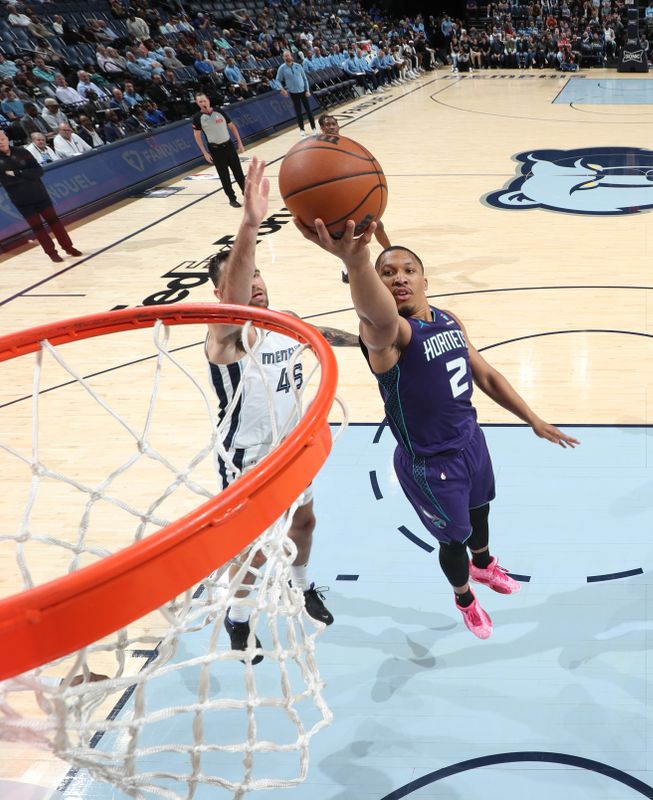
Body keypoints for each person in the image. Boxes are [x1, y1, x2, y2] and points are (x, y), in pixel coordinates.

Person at [294, 220, 579, 639]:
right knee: (454, 540)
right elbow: (376, 314)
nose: (399, 278)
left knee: (481, 511)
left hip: (471, 443)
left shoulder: (448, 319)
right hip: (430, 465)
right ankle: (465, 597)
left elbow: (487, 375)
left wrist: (532, 418)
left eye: (407, 269)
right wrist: (355, 262)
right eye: (386, 273)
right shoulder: (389, 336)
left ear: (425, 279)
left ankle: (484, 566)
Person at [206, 158, 359, 662]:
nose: (255, 285)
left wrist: (365, 341)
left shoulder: (286, 321)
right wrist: (249, 225)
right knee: (251, 549)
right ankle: (240, 617)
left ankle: (301, 584)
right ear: (222, 292)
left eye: (257, 277)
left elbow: (318, 338)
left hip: (295, 446)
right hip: (248, 459)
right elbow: (237, 286)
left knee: (305, 524)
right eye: (242, 280)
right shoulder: (227, 337)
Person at [0, 128, 81, 263]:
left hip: (39, 194)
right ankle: (51, 253)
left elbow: (38, 171)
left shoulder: (22, 151)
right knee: (37, 227)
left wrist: (17, 173)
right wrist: (26, 173)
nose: (1, 142)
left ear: (7, 138)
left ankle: (68, 247)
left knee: (55, 222)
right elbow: (5, 179)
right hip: (21, 199)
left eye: (3, 139)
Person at [317, 114, 392, 281]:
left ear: (338, 126)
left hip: (352, 194)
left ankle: (391, 252)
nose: (331, 127)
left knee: (377, 225)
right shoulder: (319, 148)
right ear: (322, 128)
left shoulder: (346, 144)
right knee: (342, 236)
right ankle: (346, 266)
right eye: (327, 125)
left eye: (333, 123)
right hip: (333, 198)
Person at [191, 92, 245, 208]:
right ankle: (232, 198)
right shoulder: (197, 118)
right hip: (215, 150)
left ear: (208, 100)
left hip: (229, 146)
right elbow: (197, 135)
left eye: (204, 100)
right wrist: (204, 152)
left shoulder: (219, 111)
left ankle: (246, 193)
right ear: (197, 103)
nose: (203, 103)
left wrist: (239, 142)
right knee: (224, 176)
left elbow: (231, 126)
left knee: (238, 172)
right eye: (200, 102)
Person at [276, 50, 315, 135]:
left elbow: (305, 78)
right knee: (298, 112)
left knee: (309, 111)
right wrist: (282, 89)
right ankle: (302, 130)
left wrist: (307, 90)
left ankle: (314, 128)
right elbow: (278, 80)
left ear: (291, 56)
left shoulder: (298, 66)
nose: (287, 57)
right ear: (283, 58)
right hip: (293, 93)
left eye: (288, 55)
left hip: (303, 91)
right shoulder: (282, 68)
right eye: (285, 56)